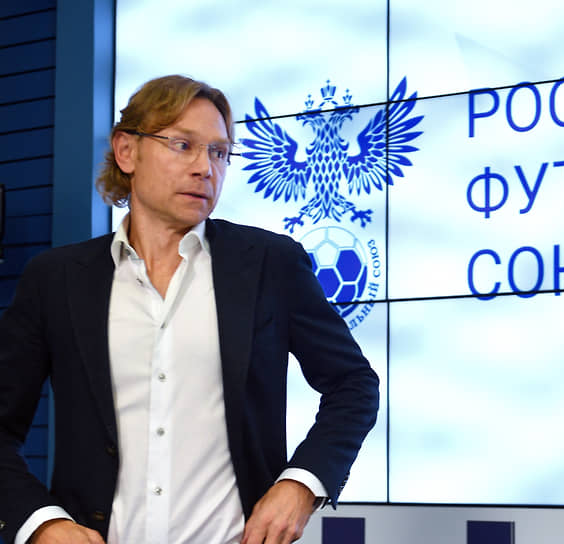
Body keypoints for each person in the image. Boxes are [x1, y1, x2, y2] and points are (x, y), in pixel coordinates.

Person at [0, 75, 379, 544]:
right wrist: (41, 523)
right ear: (127, 151)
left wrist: (301, 483)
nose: (205, 168)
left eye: (219, 153)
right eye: (183, 146)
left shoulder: (271, 263)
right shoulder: (56, 279)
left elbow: (353, 384)